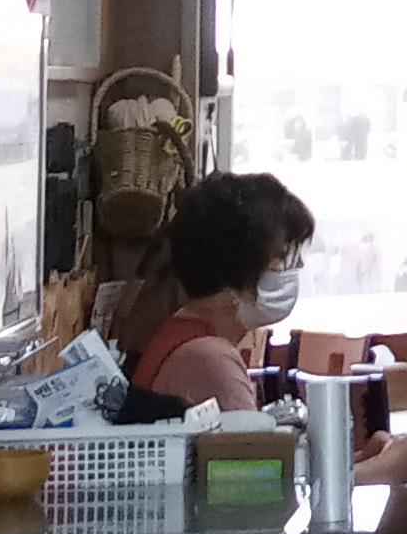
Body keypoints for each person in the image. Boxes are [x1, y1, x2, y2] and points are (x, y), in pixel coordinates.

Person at [110, 169, 315, 412]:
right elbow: (250, 438)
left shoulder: (183, 336)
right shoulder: (210, 360)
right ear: (239, 266)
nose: (298, 266)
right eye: (281, 258)